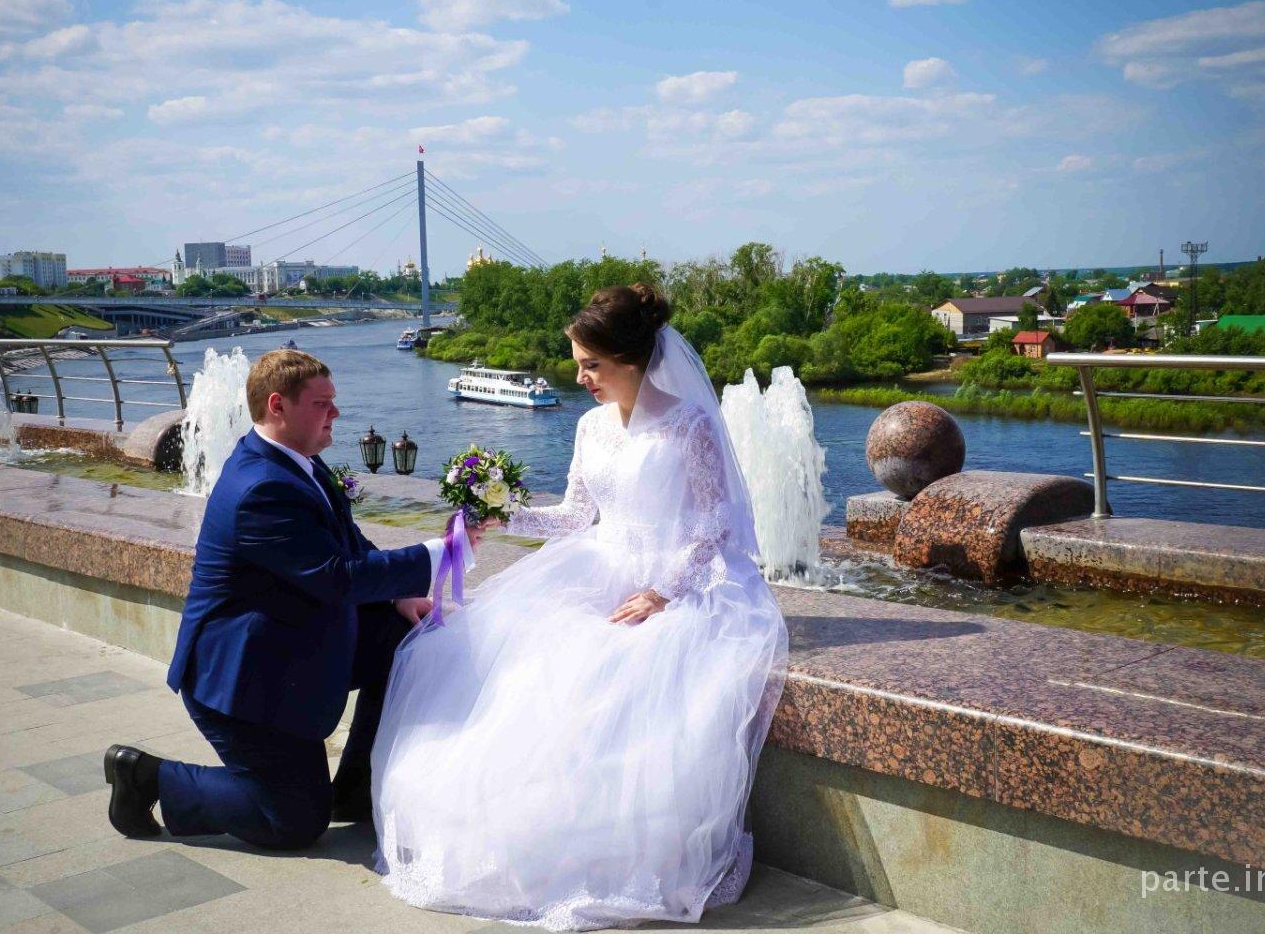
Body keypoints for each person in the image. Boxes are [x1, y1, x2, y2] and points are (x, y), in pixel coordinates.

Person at [372, 283, 789, 930]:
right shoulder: (589, 426)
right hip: (600, 565)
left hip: (683, 579)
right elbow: (574, 517)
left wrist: (663, 592)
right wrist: (502, 513)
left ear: (631, 359)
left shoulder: (690, 423)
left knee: (614, 674)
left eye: (591, 364)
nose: (580, 377)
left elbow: (714, 522)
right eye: (577, 363)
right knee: (523, 664)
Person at [103, 349, 493, 849]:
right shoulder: (261, 488)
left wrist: (399, 594)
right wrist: (442, 553)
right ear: (277, 406)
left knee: (405, 635)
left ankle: (355, 789)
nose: (336, 413)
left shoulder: (297, 462)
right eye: (322, 404)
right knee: (294, 822)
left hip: (291, 645)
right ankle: (146, 777)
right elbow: (337, 578)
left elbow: (349, 544)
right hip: (246, 682)